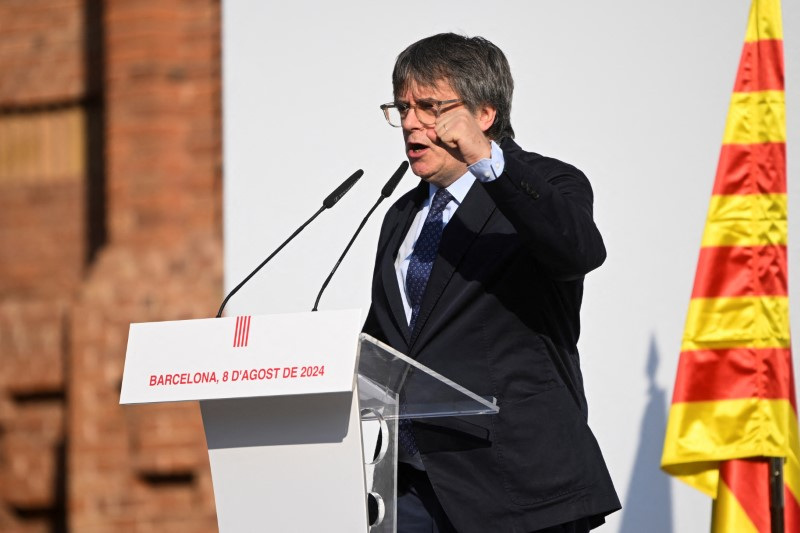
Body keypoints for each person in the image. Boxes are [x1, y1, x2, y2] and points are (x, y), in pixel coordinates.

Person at [362, 33, 620, 532]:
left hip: (518, 488)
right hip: (413, 487)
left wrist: (488, 162)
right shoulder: (401, 214)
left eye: (430, 107)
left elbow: (578, 252)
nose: (411, 122)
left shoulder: (546, 185)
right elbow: (390, 340)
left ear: (484, 114)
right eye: (402, 108)